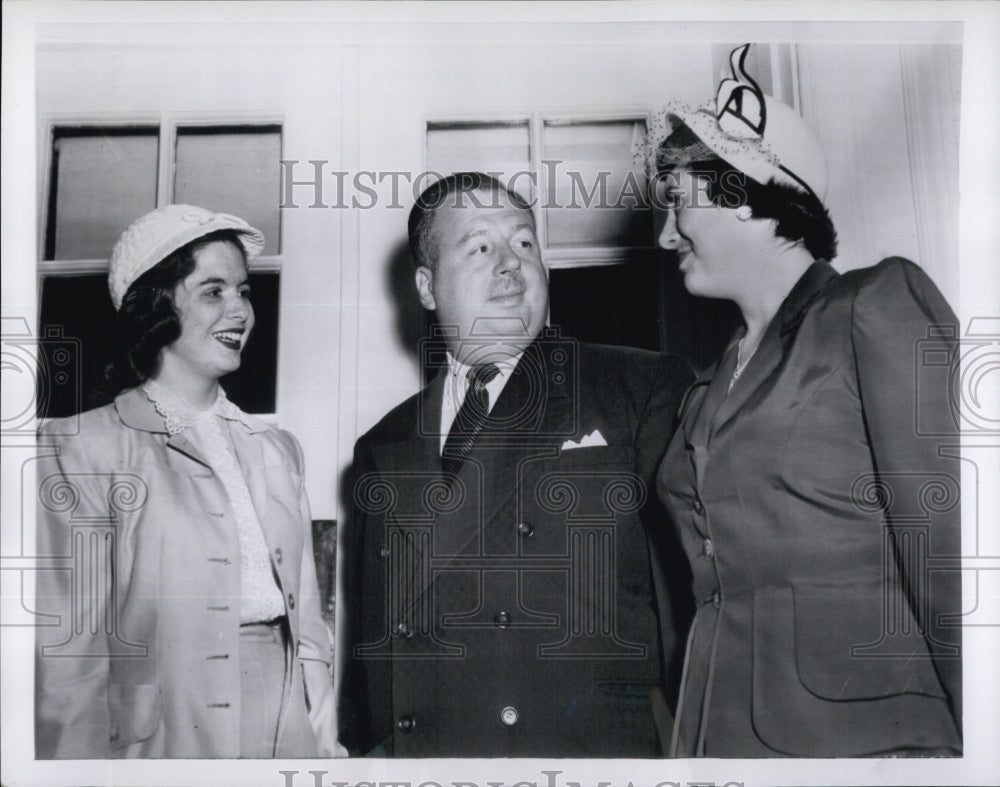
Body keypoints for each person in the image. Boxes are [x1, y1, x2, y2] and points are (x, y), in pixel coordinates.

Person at [651, 44, 962, 757]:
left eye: (678, 204)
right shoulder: (702, 392)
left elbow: (958, 555)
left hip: (868, 749)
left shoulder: (873, 309)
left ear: (745, 192)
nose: (666, 233)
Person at [340, 172, 693, 757]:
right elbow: (377, 663)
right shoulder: (384, 443)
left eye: (525, 243)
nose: (511, 263)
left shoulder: (639, 386)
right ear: (426, 287)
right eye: (479, 246)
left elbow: (687, 617)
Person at [35, 204, 341, 758]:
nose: (240, 310)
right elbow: (68, 656)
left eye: (244, 291)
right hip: (163, 738)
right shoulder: (82, 446)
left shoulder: (276, 448)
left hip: (284, 726)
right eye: (213, 291)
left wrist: (320, 738)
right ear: (157, 308)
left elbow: (309, 627)